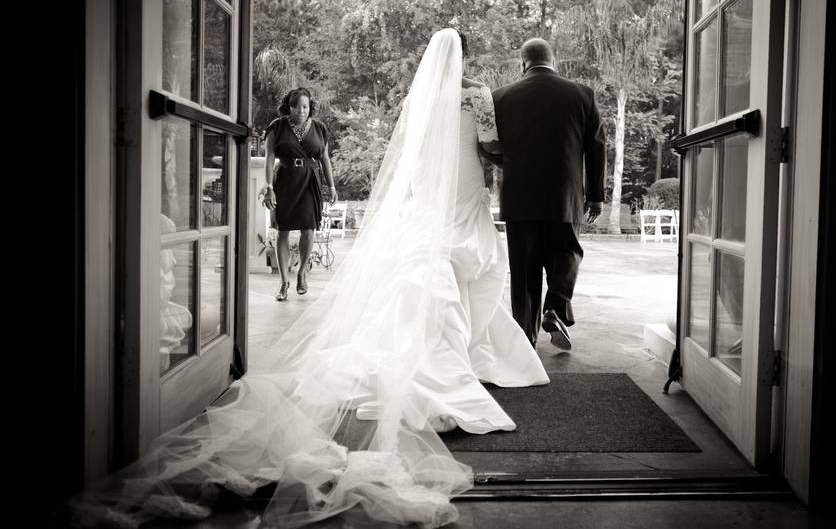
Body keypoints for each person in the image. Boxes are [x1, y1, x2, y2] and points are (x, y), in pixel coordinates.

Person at [70, 29, 547, 529]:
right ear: (465, 56)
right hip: (464, 188)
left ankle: (442, 349)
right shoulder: (476, 94)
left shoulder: (418, 96)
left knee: (430, 271)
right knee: (476, 270)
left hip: (430, 194)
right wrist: (509, 159)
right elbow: (490, 145)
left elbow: (409, 152)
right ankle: (461, 355)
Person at [481, 38, 606, 351]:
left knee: (525, 270)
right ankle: (556, 305)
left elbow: (488, 146)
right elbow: (596, 147)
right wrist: (595, 194)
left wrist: (509, 162)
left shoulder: (500, 97)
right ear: (554, 60)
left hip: (519, 196)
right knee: (567, 252)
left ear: (522, 64)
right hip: (565, 195)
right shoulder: (581, 94)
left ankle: (525, 338)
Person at [261, 87, 338, 300]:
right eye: (296, 106)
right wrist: (268, 186)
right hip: (284, 180)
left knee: (309, 227)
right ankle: (283, 282)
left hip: (310, 181)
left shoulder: (320, 128)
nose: (301, 111)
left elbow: (324, 159)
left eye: (305, 106)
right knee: (282, 229)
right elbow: (269, 157)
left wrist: (331, 186)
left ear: (309, 106)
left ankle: (302, 273)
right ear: (289, 107)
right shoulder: (277, 126)